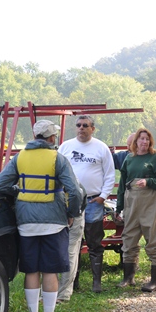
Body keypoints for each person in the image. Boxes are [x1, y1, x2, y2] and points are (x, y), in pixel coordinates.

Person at [0, 120, 83, 312]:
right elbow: (75, 191)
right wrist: (71, 213)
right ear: (52, 138)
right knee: (50, 271)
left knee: (31, 271)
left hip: (26, 223)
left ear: (35, 136)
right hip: (54, 223)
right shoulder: (57, 159)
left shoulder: (20, 157)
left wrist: (20, 192)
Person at [58, 115, 116, 293]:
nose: (81, 128)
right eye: (78, 125)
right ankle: (72, 283)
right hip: (71, 200)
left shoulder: (101, 148)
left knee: (94, 240)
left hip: (93, 200)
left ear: (93, 128)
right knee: (71, 242)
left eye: (85, 125)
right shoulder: (66, 147)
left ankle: (96, 282)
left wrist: (103, 196)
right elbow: (57, 172)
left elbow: (109, 174)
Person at [114, 128, 156, 292]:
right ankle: (128, 277)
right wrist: (119, 208)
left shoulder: (155, 157)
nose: (144, 142)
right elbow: (122, 185)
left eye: (147, 139)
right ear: (135, 142)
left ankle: (155, 281)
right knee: (129, 237)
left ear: (150, 141)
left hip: (150, 203)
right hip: (131, 203)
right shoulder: (129, 159)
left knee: (153, 238)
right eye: (141, 139)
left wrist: (149, 182)